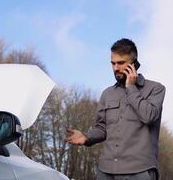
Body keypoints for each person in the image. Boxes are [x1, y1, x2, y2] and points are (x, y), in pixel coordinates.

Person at [65, 38, 166, 180]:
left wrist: (131, 87)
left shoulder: (156, 89)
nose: (115, 68)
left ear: (134, 64)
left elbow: (148, 116)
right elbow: (102, 128)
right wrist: (87, 137)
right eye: (113, 63)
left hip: (140, 171)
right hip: (106, 172)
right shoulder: (107, 94)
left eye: (121, 63)